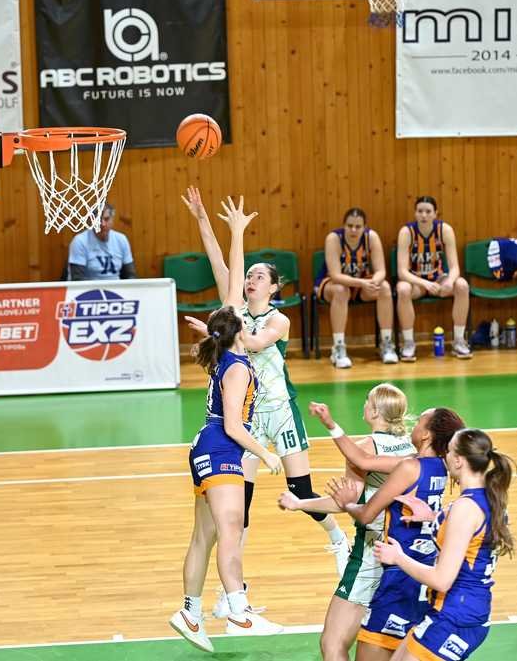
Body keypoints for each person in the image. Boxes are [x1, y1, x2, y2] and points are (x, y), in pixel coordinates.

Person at [180, 186, 351, 616]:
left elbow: (253, 343)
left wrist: (216, 330)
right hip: (247, 416)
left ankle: (337, 537)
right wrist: (202, 218)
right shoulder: (234, 310)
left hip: (280, 410)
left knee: (301, 490)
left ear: (273, 287)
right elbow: (219, 260)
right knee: (241, 508)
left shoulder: (278, 319)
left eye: (260, 276)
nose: (251, 278)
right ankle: (232, 591)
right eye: (249, 274)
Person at [168, 197, 284, 653]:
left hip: (207, 445)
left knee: (205, 535)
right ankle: (238, 611)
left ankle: (189, 611)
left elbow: (231, 277)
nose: (239, 303)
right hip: (221, 446)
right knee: (231, 528)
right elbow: (235, 426)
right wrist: (265, 453)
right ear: (237, 330)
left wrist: (226, 230)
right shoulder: (236, 366)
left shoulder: (229, 351)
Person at [278, 386, 416, 661]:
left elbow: (344, 502)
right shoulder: (412, 447)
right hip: (407, 555)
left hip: (371, 555)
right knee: (390, 645)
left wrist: (299, 503)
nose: (363, 405)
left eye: (367, 401)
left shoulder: (364, 448)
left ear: (374, 412)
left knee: (333, 643)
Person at [325, 407, 465, 661]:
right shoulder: (441, 466)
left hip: (398, 576)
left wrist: (347, 504)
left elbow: (366, 515)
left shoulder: (410, 467)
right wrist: (330, 424)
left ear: (427, 435)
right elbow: (363, 460)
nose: (414, 424)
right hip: (423, 572)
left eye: (420, 421)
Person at [373, 428, 515, 661]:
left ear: (458, 461)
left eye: (448, 451)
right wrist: (432, 518)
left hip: (456, 616)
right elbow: (472, 538)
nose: (445, 456)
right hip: (459, 610)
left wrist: (398, 557)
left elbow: (441, 579)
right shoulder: (487, 499)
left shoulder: (465, 508)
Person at [313, 208, 397, 368]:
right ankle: (338, 348)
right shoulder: (334, 238)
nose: (353, 230)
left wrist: (374, 282)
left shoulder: (371, 237)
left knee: (384, 288)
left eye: (358, 226)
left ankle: (386, 343)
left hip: (360, 283)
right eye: (350, 226)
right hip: (331, 283)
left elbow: (381, 271)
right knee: (341, 290)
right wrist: (363, 283)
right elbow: (335, 275)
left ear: (365, 227)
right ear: (344, 225)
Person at [395, 197, 472, 361]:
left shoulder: (445, 230)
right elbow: (402, 272)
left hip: (438, 280)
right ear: (415, 213)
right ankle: (408, 343)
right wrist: (425, 283)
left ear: (435, 213)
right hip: (416, 282)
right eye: (420, 211)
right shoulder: (406, 232)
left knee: (462, 285)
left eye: (428, 211)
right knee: (402, 289)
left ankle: (459, 341)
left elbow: (454, 267)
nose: (424, 215)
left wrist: (449, 281)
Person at [66, 203, 136, 281]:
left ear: (112, 219)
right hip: (90, 287)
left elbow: (130, 275)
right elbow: (77, 279)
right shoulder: (80, 241)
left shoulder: (121, 239)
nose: (102, 224)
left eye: (106, 219)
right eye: (98, 220)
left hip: (116, 287)